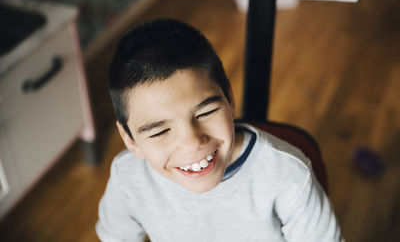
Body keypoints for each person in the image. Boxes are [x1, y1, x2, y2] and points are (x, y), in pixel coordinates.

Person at [96, 18, 344, 241]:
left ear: (229, 99)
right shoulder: (127, 177)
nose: (192, 142)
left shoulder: (288, 176)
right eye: (159, 131)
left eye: (205, 113)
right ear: (130, 140)